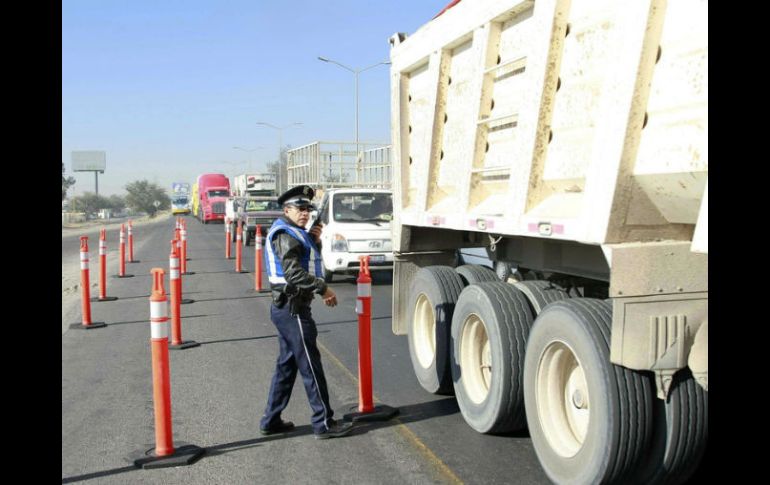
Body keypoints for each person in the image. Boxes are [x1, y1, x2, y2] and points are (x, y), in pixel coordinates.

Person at [259, 184, 353, 440]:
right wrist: (323, 289)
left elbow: (305, 261)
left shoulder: (295, 233)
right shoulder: (286, 234)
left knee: (286, 367)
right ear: (286, 210)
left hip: (287, 308)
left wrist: (314, 241)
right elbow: (294, 274)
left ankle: (270, 420)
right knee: (311, 366)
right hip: (294, 309)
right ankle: (324, 423)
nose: (305, 213)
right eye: (299, 209)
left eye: (308, 209)